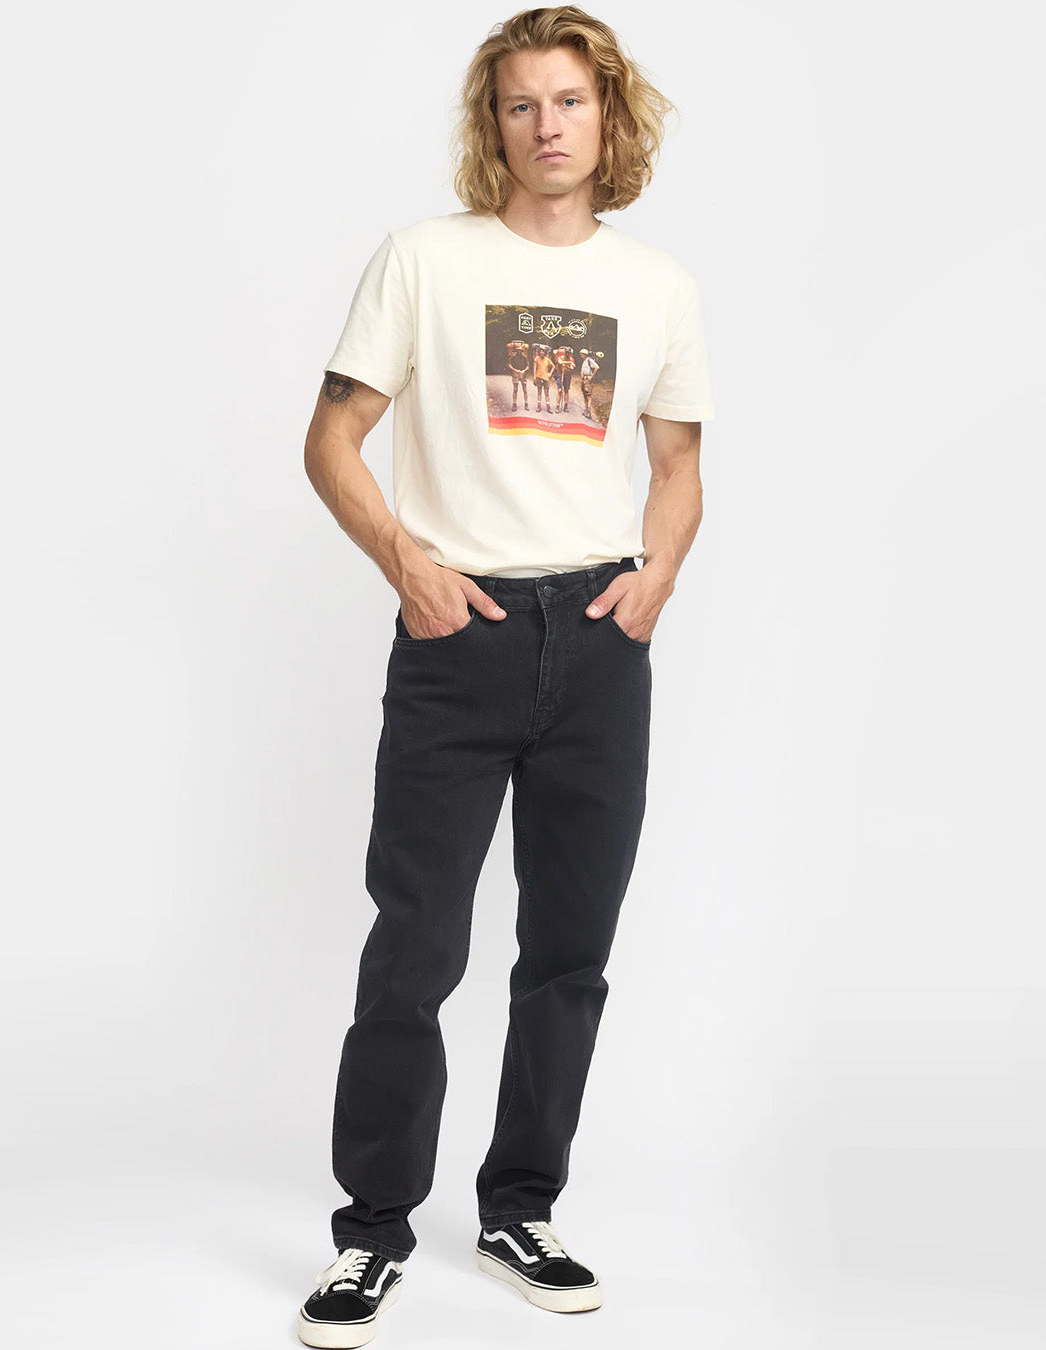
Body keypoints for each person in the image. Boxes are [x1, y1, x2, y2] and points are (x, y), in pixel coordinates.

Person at [297, 6, 715, 1345]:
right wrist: (406, 565)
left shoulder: (658, 286)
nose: (548, 125)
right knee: (414, 948)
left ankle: (519, 1209)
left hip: (598, 642)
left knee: (570, 954)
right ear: (494, 123)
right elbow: (332, 439)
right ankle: (371, 1233)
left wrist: (655, 579)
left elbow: (679, 463)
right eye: (522, 103)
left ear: (609, 117)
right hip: (458, 638)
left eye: (571, 101)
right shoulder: (425, 260)